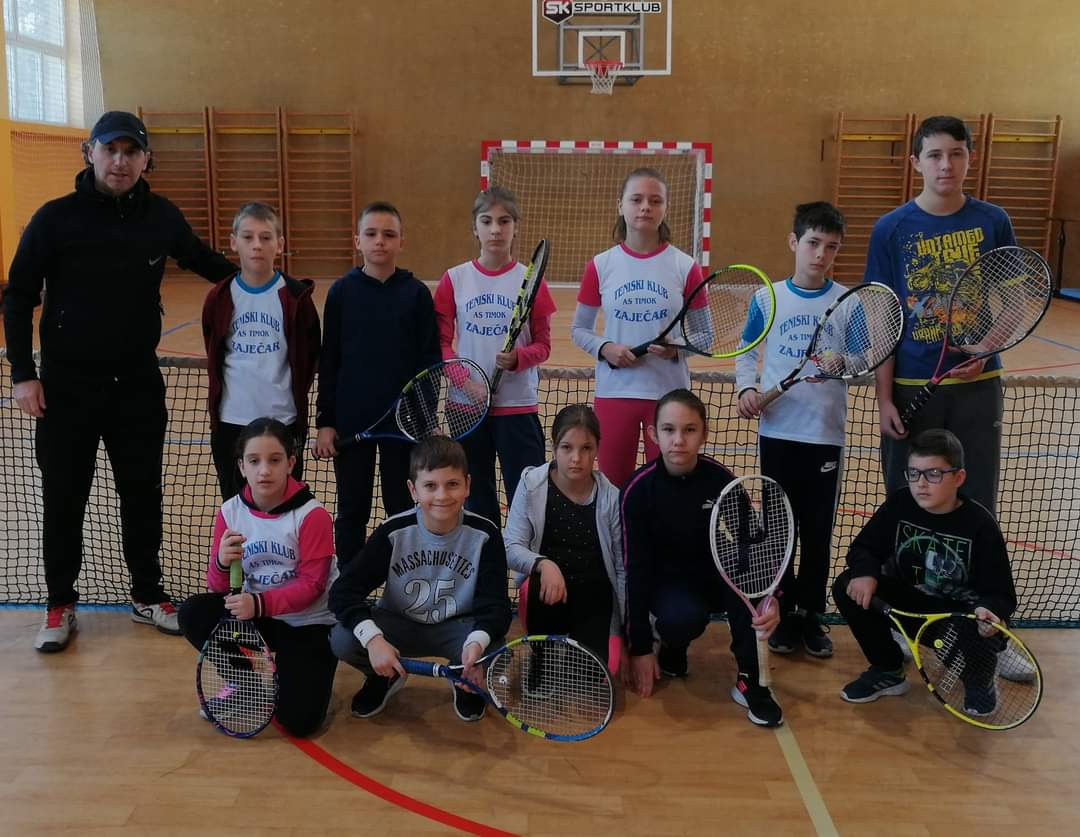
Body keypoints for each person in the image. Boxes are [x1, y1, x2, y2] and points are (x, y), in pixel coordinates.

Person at [4, 111, 237, 652]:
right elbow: (17, 297)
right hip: (66, 390)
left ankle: (148, 595)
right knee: (64, 498)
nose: (120, 161)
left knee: (142, 495)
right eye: (111, 149)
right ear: (89, 152)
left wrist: (271, 283)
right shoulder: (54, 219)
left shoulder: (162, 216)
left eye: (132, 152)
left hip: (136, 386)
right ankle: (60, 603)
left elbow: (207, 263)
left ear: (146, 159)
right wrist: (22, 374)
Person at [867, 115, 1016, 515]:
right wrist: (884, 399)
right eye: (934, 155)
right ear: (916, 162)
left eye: (956, 154)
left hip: (978, 387)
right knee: (908, 498)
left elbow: (1016, 303)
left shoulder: (994, 222)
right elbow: (882, 319)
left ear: (971, 158)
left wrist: (985, 348)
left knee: (976, 497)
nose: (946, 165)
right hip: (912, 385)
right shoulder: (889, 229)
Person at [621, 389, 783, 727]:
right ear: (653, 434)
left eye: (690, 429)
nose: (679, 440)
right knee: (682, 618)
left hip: (713, 575)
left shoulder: (720, 480)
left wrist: (770, 598)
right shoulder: (637, 490)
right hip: (667, 585)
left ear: (704, 434)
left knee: (746, 578)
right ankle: (672, 646)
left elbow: (751, 544)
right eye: (669, 430)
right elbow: (634, 572)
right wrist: (639, 648)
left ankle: (751, 681)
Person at [328, 436, 513, 722]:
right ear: (413, 490)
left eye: (452, 484)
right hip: (398, 625)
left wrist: (476, 644)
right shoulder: (393, 532)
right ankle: (384, 675)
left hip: (457, 630)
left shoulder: (485, 534)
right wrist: (374, 640)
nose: (442, 495)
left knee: (497, 650)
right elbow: (343, 591)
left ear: (467, 485)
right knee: (343, 638)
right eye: (430, 486)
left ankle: (463, 677)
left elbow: (496, 605)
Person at [833, 428, 1017, 710]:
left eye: (933, 474)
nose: (921, 483)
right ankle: (888, 669)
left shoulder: (980, 525)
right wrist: (866, 572)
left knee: (977, 631)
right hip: (912, 606)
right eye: (914, 473)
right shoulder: (900, 504)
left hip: (959, 618)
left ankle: (979, 682)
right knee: (847, 585)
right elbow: (864, 548)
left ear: (958, 478)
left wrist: (988, 610)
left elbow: (1002, 594)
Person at [736, 201, 848, 659]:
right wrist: (747, 387)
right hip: (778, 432)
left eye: (831, 247)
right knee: (778, 529)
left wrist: (845, 362)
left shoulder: (847, 301)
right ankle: (779, 609)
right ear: (793, 242)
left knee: (818, 532)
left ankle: (810, 615)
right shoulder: (768, 298)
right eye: (813, 243)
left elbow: (864, 357)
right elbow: (747, 351)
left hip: (824, 435)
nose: (820, 254)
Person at [178, 418, 338, 736]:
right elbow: (218, 589)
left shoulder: (312, 515)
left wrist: (258, 603)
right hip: (258, 616)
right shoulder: (230, 512)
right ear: (241, 467)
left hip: (308, 623)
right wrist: (221, 563)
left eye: (274, 460)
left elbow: (312, 586)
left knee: (298, 722)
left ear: (291, 463)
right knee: (194, 612)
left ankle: (310, 668)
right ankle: (245, 684)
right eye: (254, 461)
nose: (264, 470)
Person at [314, 201, 440, 564]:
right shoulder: (341, 292)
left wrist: (425, 420)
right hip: (352, 424)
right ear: (358, 240)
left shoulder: (416, 294)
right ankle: (349, 584)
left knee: (401, 507)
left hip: (404, 426)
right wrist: (326, 421)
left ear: (401, 241)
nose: (379, 241)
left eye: (388, 234)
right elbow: (329, 359)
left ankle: (401, 580)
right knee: (352, 509)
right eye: (371, 234)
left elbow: (429, 364)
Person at [571, 167, 706, 488]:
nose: (645, 207)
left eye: (655, 200)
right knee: (613, 488)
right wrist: (606, 348)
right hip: (615, 394)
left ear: (665, 208)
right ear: (621, 205)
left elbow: (704, 335)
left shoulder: (685, 266)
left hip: (669, 398)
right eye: (637, 199)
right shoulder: (600, 266)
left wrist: (677, 348)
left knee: (669, 488)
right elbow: (579, 330)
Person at [433, 186, 556, 527]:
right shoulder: (455, 279)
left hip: (517, 406)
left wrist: (519, 358)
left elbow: (544, 345)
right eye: (486, 221)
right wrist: (466, 383)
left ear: (516, 227)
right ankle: (484, 556)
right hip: (466, 408)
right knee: (475, 497)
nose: (496, 229)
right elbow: (440, 344)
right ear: (475, 228)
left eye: (504, 221)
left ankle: (524, 558)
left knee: (527, 495)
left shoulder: (531, 282)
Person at [202, 202, 320, 501]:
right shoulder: (219, 297)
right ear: (233, 242)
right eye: (248, 237)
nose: (257, 245)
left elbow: (309, 358)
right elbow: (214, 349)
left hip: (283, 421)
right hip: (231, 422)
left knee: (285, 508)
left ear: (280, 244)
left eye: (266, 237)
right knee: (236, 507)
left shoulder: (297, 298)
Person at [503, 404, 625, 671]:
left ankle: (580, 646)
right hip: (548, 593)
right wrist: (544, 564)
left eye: (586, 448)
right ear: (554, 446)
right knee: (534, 587)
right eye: (567, 447)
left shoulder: (611, 498)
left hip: (594, 595)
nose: (576, 458)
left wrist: (624, 632)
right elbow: (511, 547)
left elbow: (621, 569)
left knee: (604, 671)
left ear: (597, 448)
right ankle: (542, 655)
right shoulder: (531, 484)